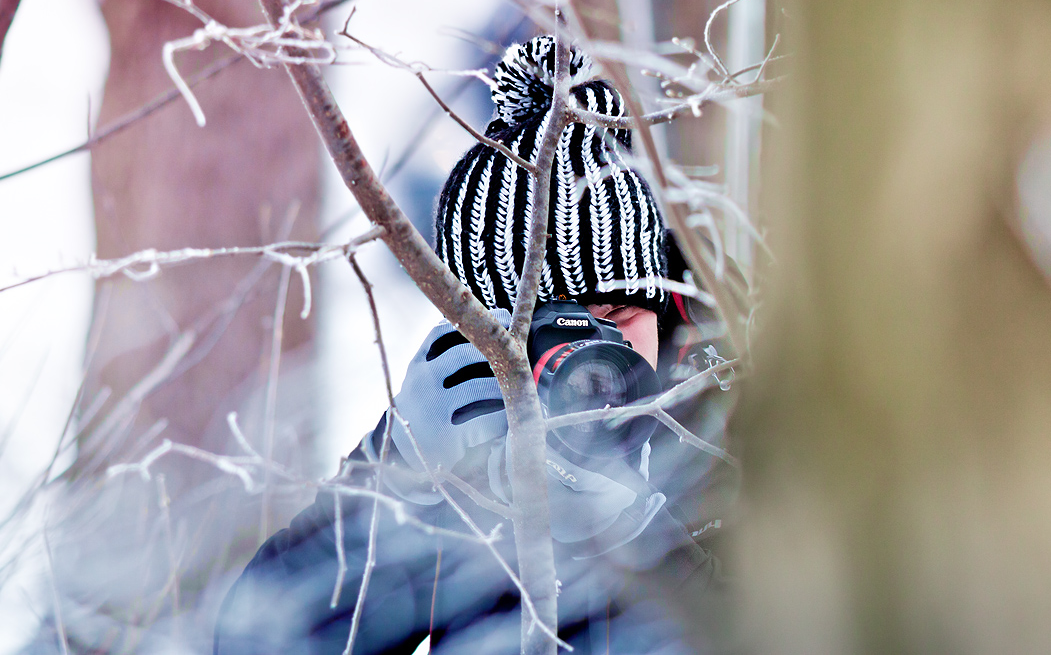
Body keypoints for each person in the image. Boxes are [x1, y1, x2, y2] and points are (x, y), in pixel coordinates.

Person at [214, 36, 735, 654]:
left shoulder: (744, 429)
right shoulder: (461, 452)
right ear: (477, 335)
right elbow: (256, 644)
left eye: (617, 314)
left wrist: (642, 543)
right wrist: (395, 478)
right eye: (540, 331)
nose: (595, 357)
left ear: (664, 303)